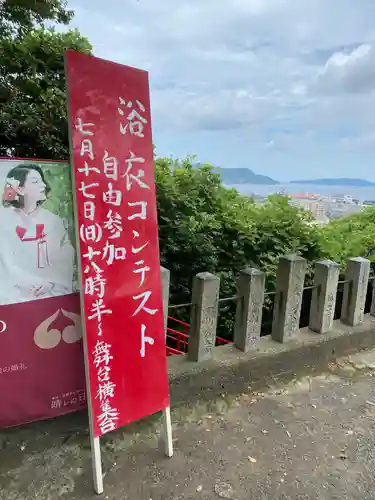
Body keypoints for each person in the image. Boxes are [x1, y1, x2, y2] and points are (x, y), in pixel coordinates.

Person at [0, 163, 75, 305]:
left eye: (42, 181)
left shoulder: (53, 221)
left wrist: (51, 284)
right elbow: (5, 262)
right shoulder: (3, 219)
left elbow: (65, 257)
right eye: (35, 182)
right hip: (11, 298)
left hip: (47, 296)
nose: (43, 186)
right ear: (19, 188)